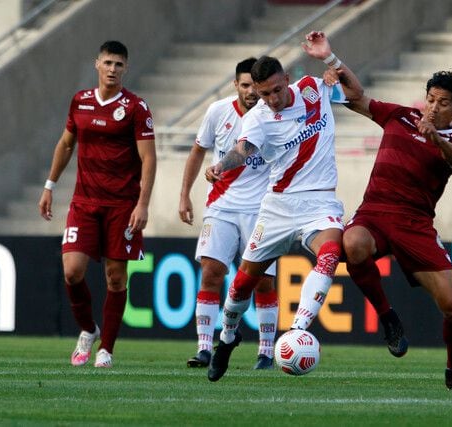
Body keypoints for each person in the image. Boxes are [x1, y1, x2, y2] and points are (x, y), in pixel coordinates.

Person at [307, 31, 452, 390]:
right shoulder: (400, 116)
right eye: (430, 99)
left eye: (443, 103)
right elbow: (357, 97)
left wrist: (436, 138)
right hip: (375, 214)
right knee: (351, 245)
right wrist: (330, 59)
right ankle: (388, 317)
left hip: (415, 226)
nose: (433, 107)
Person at [204, 52, 348, 382]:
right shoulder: (257, 117)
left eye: (275, 91)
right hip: (278, 207)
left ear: (286, 79)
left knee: (330, 254)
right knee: (242, 284)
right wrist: (220, 166)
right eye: (264, 93)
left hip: (320, 202)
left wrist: (332, 63)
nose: (271, 99)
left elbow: (353, 91)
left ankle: (297, 331)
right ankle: (226, 338)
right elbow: (243, 150)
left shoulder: (313, 88)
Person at [38, 40, 156, 368]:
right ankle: (88, 330)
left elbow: (149, 160)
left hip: (122, 205)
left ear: (125, 68)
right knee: (73, 272)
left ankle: (106, 349)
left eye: (119, 64)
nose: (112, 69)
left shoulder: (136, 107)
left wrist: (142, 204)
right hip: (84, 202)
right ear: (97, 64)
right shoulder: (80, 102)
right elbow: (65, 144)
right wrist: (50, 186)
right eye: (108, 63)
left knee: (116, 278)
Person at [179, 57, 279, 370]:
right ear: (235, 84)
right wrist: (184, 195)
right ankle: (205, 347)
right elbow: (197, 150)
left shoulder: (273, 116)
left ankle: (265, 352)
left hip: (262, 211)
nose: (251, 91)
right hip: (220, 207)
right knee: (211, 272)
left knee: (262, 282)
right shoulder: (217, 112)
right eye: (245, 85)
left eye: (255, 86)